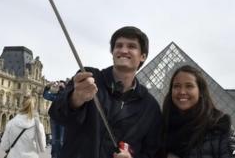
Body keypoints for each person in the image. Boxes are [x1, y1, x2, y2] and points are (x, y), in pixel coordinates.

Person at [49, 26, 162, 158]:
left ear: (143, 56)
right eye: (118, 46)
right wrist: (75, 99)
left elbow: (152, 152)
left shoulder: (150, 106)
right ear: (112, 52)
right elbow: (56, 114)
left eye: (131, 46)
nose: (124, 50)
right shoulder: (87, 78)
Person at [159, 65, 235, 158]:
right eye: (176, 86)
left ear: (200, 92)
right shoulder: (161, 127)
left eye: (189, 86)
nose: (182, 91)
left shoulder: (220, 127)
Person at [43, 81, 66, 158]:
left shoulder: (66, 95)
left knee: (61, 140)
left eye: (62, 83)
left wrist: (63, 87)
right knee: (55, 140)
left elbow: (66, 95)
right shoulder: (56, 95)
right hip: (54, 119)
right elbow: (46, 95)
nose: (59, 84)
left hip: (63, 119)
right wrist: (48, 87)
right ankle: (54, 156)